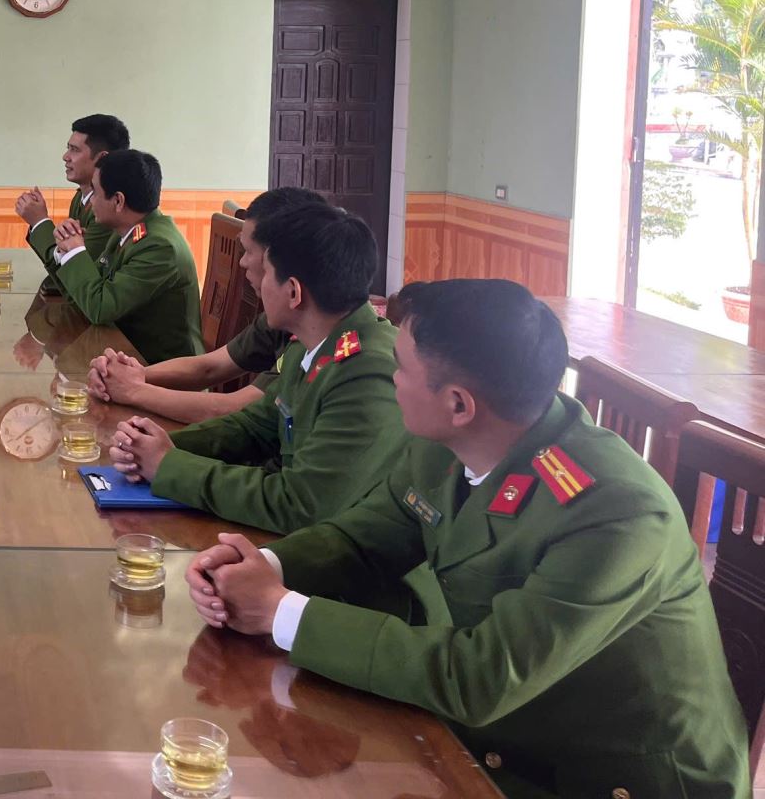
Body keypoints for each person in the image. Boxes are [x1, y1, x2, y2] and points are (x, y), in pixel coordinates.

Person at [185, 279, 751, 799]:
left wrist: (280, 612)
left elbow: (480, 677)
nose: (390, 378)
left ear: (458, 404)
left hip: (603, 779)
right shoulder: (449, 443)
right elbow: (365, 539)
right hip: (496, 736)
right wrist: (262, 566)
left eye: (401, 368)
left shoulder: (617, 515)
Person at [110, 202, 406, 535]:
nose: (258, 282)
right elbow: (254, 427)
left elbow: (299, 504)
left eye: (267, 272)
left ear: (293, 292)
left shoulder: (364, 372)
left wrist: (170, 465)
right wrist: (153, 445)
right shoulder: (310, 344)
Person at [88, 186, 334, 422]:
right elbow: (210, 367)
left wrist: (133, 390)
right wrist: (134, 375)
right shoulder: (284, 316)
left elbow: (234, 409)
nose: (242, 263)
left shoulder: (319, 330)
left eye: (248, 252)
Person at [51, 149, 203, 365]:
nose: (91, 201)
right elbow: (88, 295)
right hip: (126, 354)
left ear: (118, 201)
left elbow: (100, 308)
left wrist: (75, 252)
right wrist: (66, 250)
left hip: (162, 370)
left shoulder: (160, 247)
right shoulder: (128, 232)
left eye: (95, 192)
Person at [15, 113, 130, 295]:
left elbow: (75, 275)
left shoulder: (109, 208)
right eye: (67, 148)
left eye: (75, 150)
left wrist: (40, 222)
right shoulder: (80, 198)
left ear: (102, 158)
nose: (65, 157)